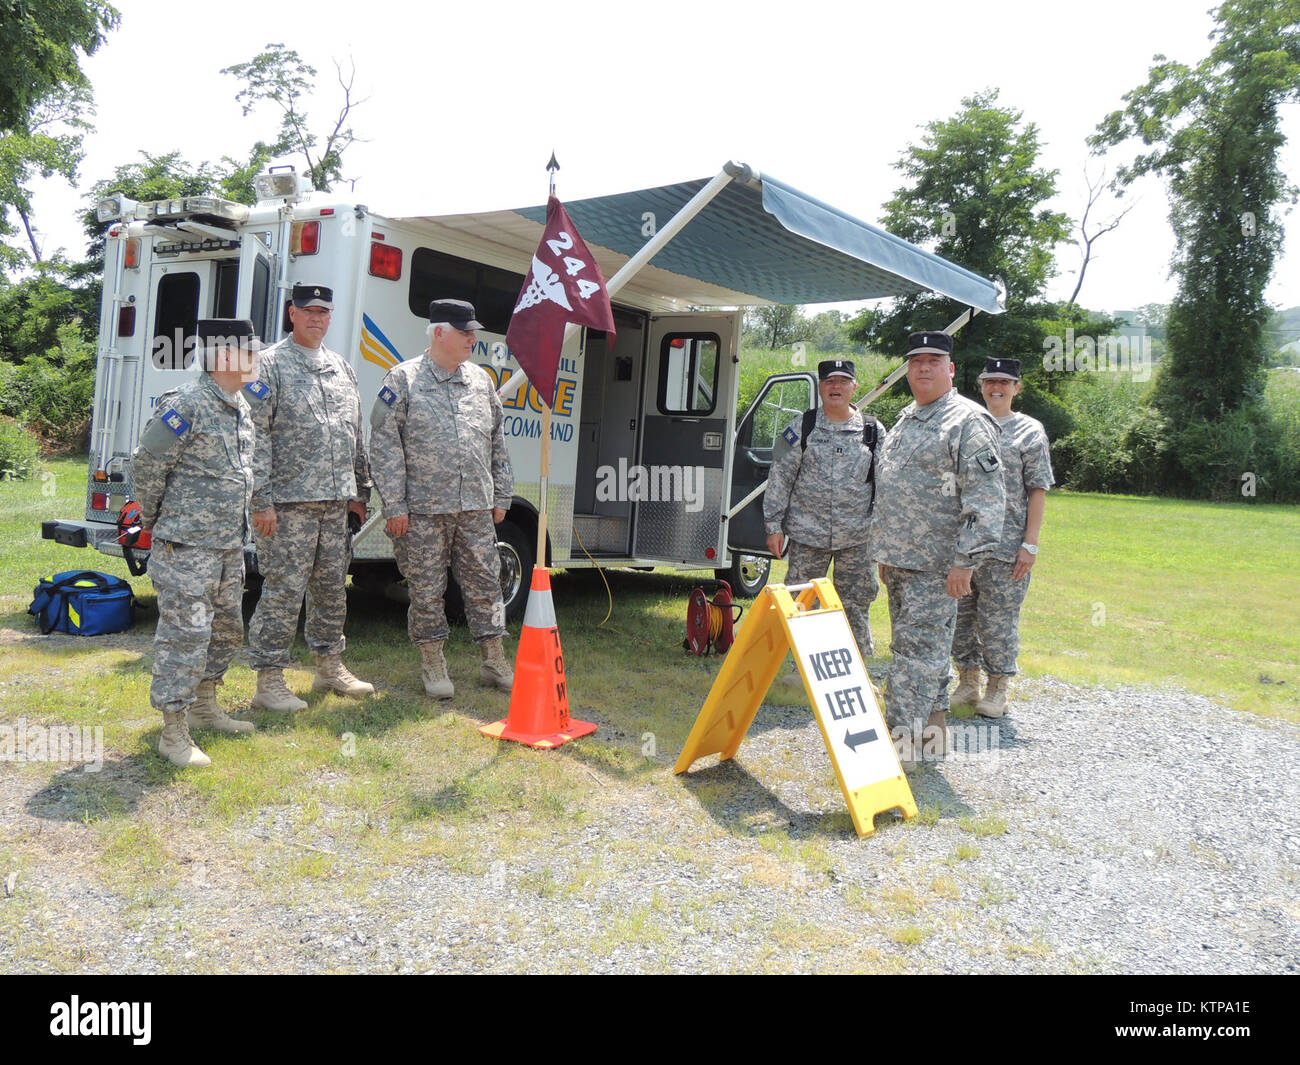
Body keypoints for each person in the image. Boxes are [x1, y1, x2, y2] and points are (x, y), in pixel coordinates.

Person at [368, 298, 515, 699]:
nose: (473, 338)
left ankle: (494, 660)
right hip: (424, 511)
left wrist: (502, 493)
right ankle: (433, 664)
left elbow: (497, 442)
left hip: (474, 509)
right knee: (427, 590)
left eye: (473, 331)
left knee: (487, 583)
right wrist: (394, 506)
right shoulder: (402, 379)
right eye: (465, 332)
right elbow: (383, 446)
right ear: (439, 333)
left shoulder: (481, 381)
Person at [873, 331, 1006, 768]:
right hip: (901, 562)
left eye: (934, 361)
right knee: (920, 655)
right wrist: (885, 554)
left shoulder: (968, 421)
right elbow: (894, 487)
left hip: (938, 567)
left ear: (950, 369)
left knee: (914, 659)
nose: (923, 368)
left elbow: (985, 501)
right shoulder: (907, 417)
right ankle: (933, 738)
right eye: (916, 361)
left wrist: (965, 562)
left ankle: (900, 752)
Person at [133, 319, 261, 768]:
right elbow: (146, 464)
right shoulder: (186, 403)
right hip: (186, 546)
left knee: (226, 630)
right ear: (225, 356)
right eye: (252, 351)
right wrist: (153, 518)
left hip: (227, 545)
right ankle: (173, 731)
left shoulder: (238, 404)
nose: (259, 358)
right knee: (185, 637)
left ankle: (206, 706)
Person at [245, 283, 373, 710]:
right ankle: (269, 680)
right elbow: (254, 437)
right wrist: (260, 500)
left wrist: (360, 491)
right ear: (292, 314)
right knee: (283, 590)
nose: (317, 317)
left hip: (336, 504)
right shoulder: (268, 365)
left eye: (324, 311)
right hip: (286, 506)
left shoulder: (342, 367)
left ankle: (329, 667)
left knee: (332, 588)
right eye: (308, 310)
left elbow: (355, 434)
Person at [950, 357, 1054, 717]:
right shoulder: (965, 424)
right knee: (960, 617)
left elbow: (1037, 489)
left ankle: (997, 689)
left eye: (1004, 382)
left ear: (1016, 388)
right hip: (965, 544)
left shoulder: (1029, 431)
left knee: (998, 620)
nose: (996, 387)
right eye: (990, 380)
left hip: (1007, 546)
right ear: (980, 385)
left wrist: (1030, 543)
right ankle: (967, 682)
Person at [764, 359, 883, 660]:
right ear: (820, 387)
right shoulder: (799, 427)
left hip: (857, 539)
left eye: (843, 381)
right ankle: (803, 668)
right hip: (808, 536)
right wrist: (773, 526)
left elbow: (887, 485)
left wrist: (884, 537)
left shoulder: (873, 431)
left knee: (855, 604)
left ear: (855, 387)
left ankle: (856, 670)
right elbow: (779, 475)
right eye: (829, 381)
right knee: (802, 602)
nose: (836, 387)